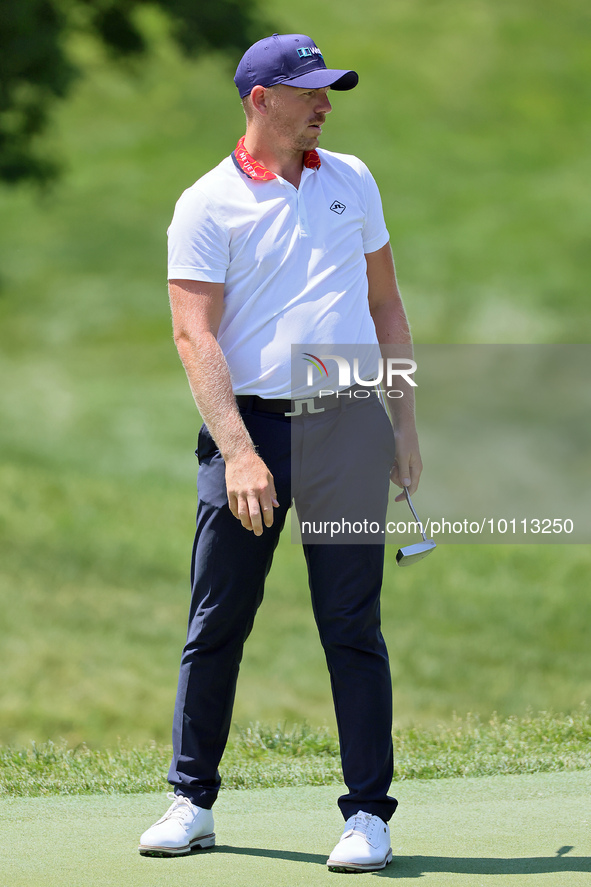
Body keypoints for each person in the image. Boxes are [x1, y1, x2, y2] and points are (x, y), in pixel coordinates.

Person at [138, 32, 422, 873]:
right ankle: (192, 799)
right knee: (217, 621)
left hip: (347, 423)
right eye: (309, 93)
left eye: (328, 91)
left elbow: (385, 303)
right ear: (260, 100)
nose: (324, 105)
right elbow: (194, 336)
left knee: (350, 626)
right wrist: (238, 450)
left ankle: (368, 814)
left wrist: (403, 422)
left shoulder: (354, 178)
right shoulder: (206, 203)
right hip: (250, 430)